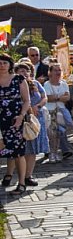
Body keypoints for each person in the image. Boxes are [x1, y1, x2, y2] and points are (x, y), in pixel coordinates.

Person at [1, 54, 32, 195]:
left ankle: (21, 182)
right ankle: (8, 174)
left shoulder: (18, 79)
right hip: (0, 121)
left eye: (4, 63)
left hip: (15, 120)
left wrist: (21, 116)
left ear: (10, 65)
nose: (2, 65)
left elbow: (26, 100)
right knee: (4, 150)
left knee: (18, 152)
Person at [18, 62, 48, 189]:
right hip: (23, 118)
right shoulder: (15, 84)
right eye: (21, 71)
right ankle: (21, 177)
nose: (24, 73)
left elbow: (44, 96)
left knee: (34, 149)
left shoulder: (36, 84)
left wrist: (38, 106)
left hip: (36, 119)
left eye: (27, 71)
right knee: (23, 149)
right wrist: (29, 109)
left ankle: (29, 175)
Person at [44, 63, 73, 162]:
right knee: (52, 133)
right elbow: (48, 98)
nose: (58, 72)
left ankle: (58, 152)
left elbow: (67, 97)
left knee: (61, 131)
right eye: (55, 70)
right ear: (50, 72)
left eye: (59, 70)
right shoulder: (47, 84)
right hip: (50, 110)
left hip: (61, 110)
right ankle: (52, 153)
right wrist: (59, 97)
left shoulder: (64, 84)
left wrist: (56, 97)